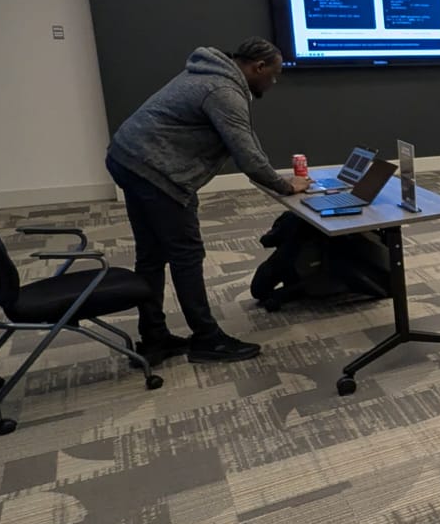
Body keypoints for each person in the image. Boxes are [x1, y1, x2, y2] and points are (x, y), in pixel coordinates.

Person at [105, 38, 308, 365]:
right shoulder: (224, 92)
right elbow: (247, 156)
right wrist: (285, 186)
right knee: (186, 255)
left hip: (126, 157)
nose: (274, 82)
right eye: (273, 74)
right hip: (156, 172)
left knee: (152, 255)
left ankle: (155, 337)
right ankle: (207, 339)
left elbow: (247, 143)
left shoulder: (210, 74)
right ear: (258, 67)